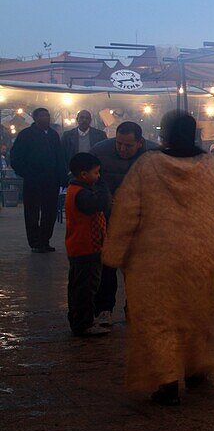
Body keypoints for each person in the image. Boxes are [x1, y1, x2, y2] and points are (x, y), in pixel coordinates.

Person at [102, 111, 214, 406]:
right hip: (204, 259)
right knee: (197, 314)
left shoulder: (147, 165)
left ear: (164, 135)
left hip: (155, 260)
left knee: (159, 319)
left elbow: (126, 210)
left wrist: (113, 253)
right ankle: (196, 369)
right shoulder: (211, 166)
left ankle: (167, 380)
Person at [90, 122, 156, 327]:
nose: (122, 149)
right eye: (119, 144)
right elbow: (82, 178)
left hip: (141, 223)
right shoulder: (100, 152)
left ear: (140, 142)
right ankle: (104, 310)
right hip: (109, 221)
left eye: (128, 145)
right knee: (107, 267)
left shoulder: (156, 155)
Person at [64, 152, 111, 337]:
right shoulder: (81, 194)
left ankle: (79, 321)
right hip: (86, 248)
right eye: (96, 173)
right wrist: (103, 186)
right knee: (85, 289)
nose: (98, 176)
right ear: (84, 174)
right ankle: (84, 324)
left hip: (82, 248)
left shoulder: (76, 190)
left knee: (80, 287)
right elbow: (101, 204)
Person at [10, 107, 68, 252]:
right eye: (42, 115)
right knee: (32, 211)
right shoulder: (26, 134)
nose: (45, 118)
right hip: (33, 180)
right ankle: (35, 242)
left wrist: (62, 176)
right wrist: (26, 173)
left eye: (47, 115)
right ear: (35, 118)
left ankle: (45, 239)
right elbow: (15, 157)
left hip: (51, 180)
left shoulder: (53, 135)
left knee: (50, 211)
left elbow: (59, 157)